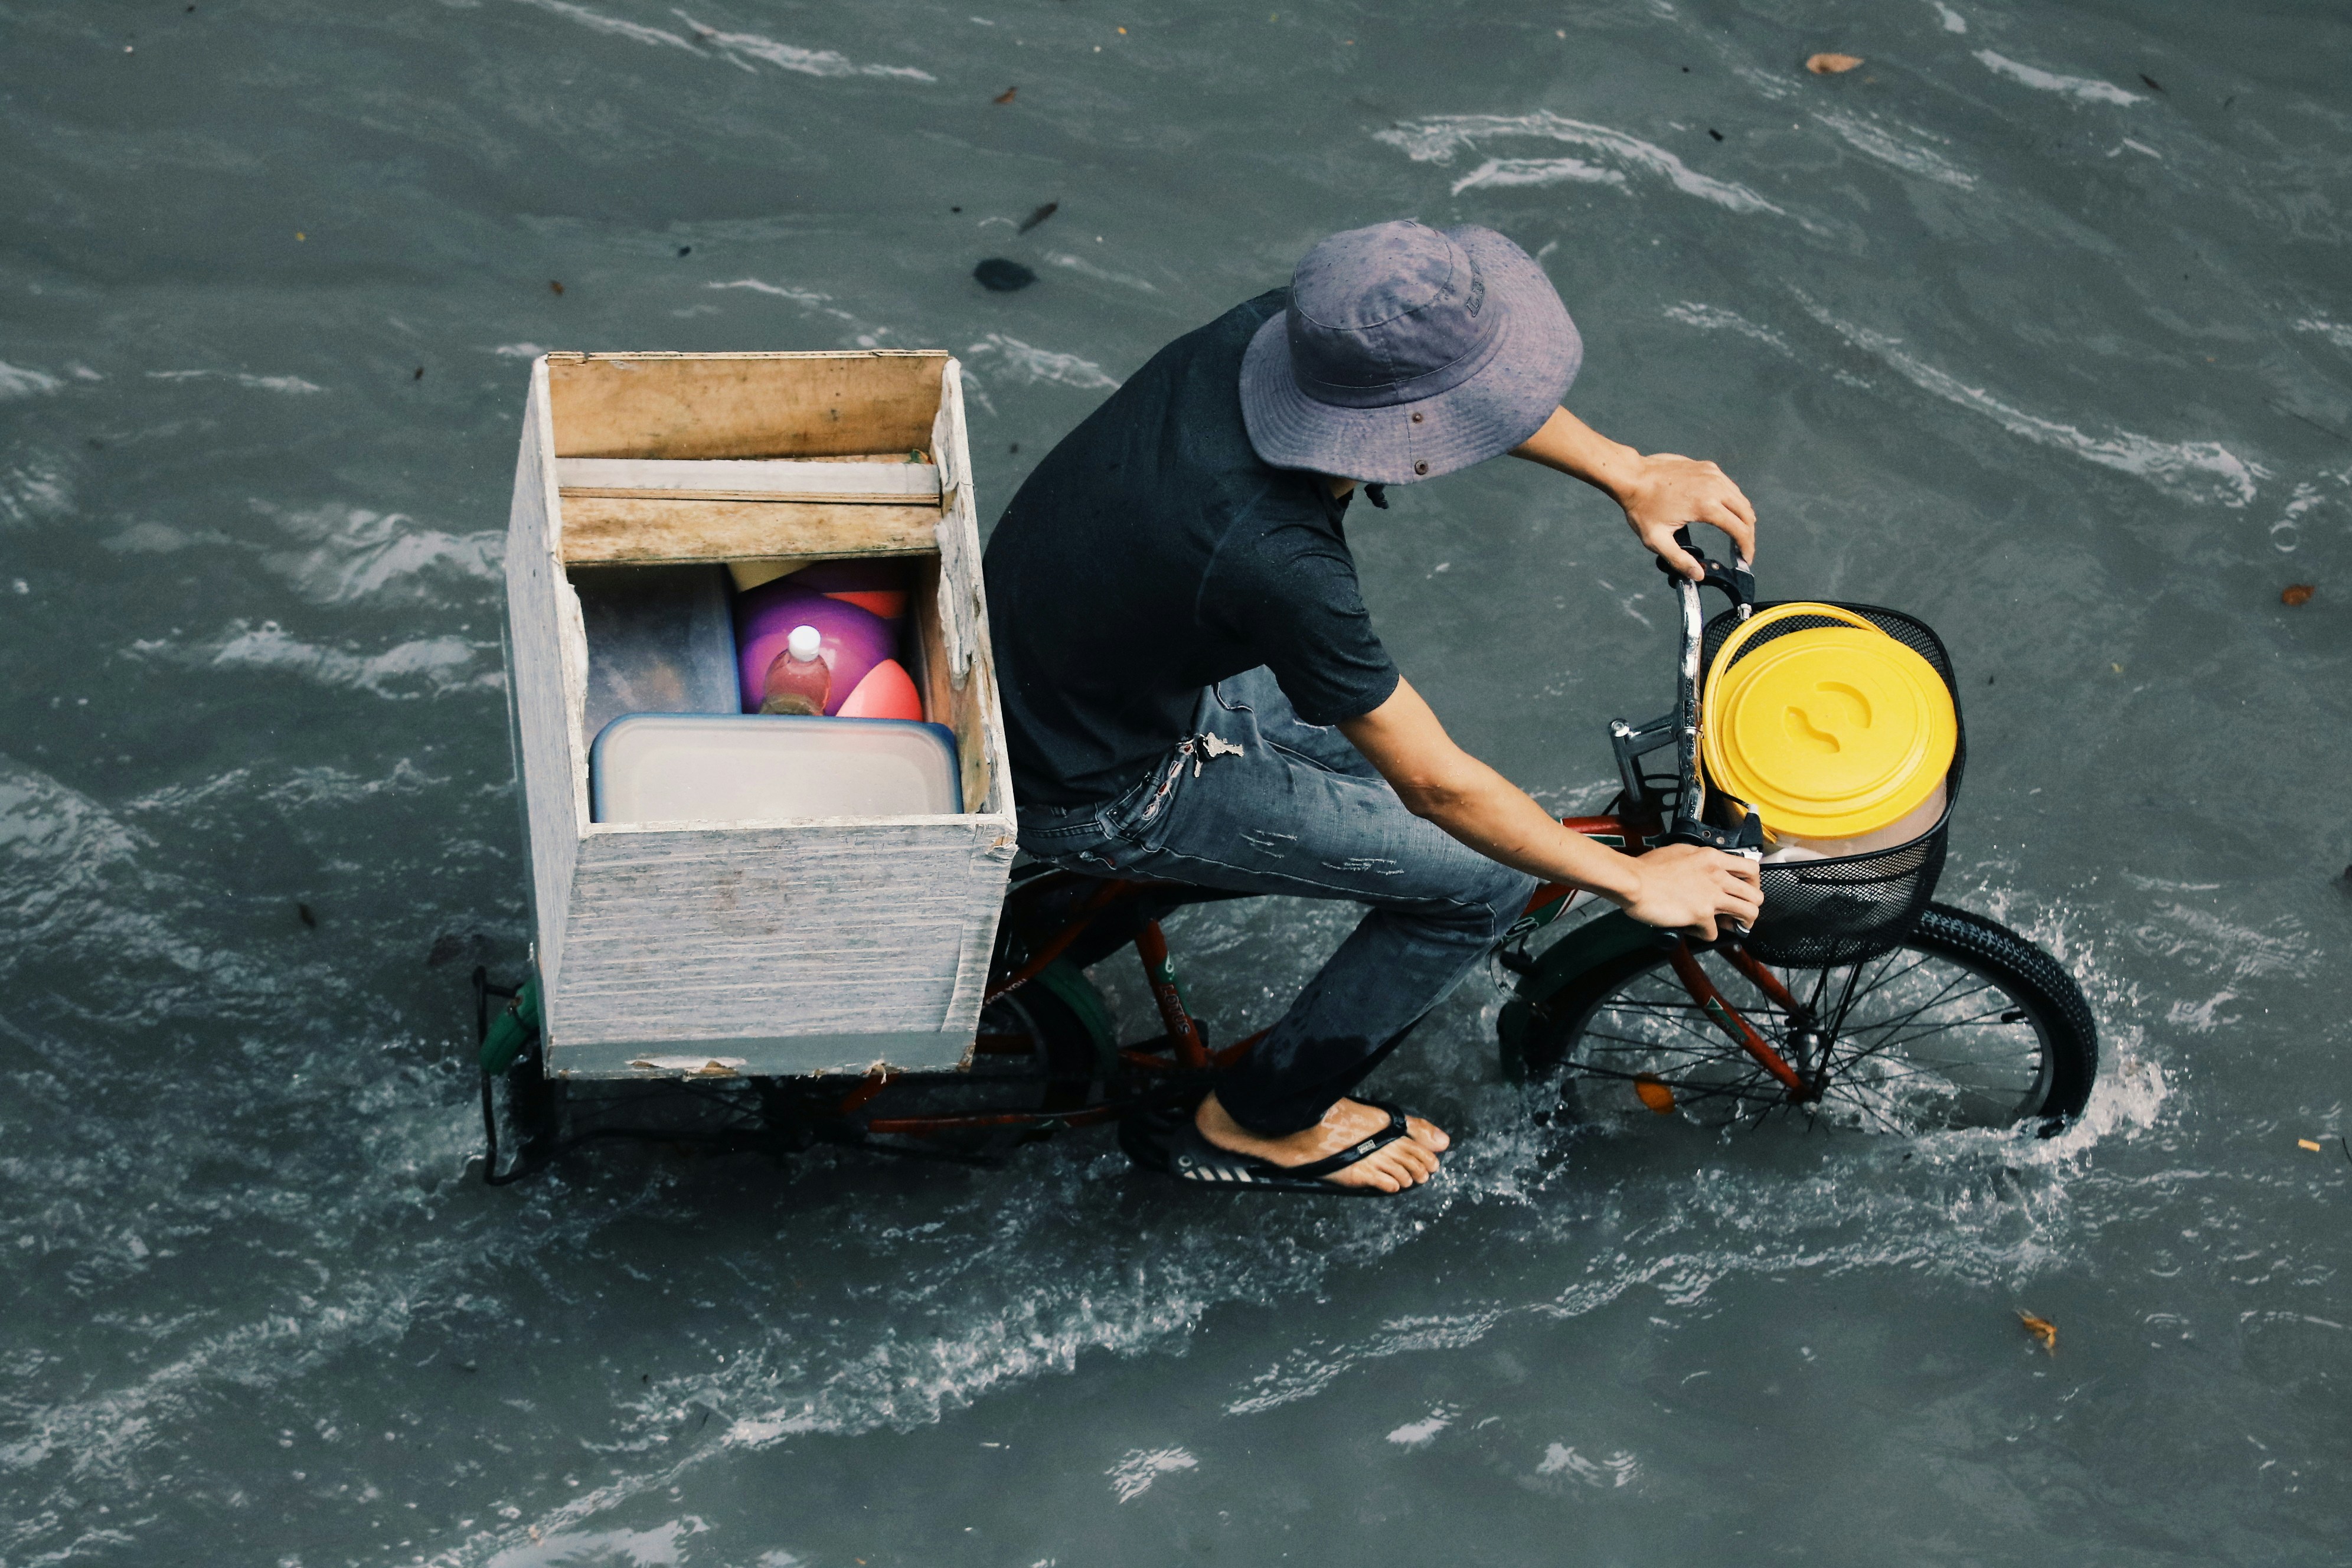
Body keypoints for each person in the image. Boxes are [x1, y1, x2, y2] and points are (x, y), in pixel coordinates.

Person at [982, 220, 1762, 1194]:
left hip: (1072, 659)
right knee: (1482, 878)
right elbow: (1435, 786)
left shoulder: (1274, 337)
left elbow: (1452, 393)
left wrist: (1627, 468)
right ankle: (1254, 1121)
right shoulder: (1280, 561)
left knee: (1468, 807)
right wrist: (1632, 881)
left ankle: (1077, 910)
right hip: (1101, 772)